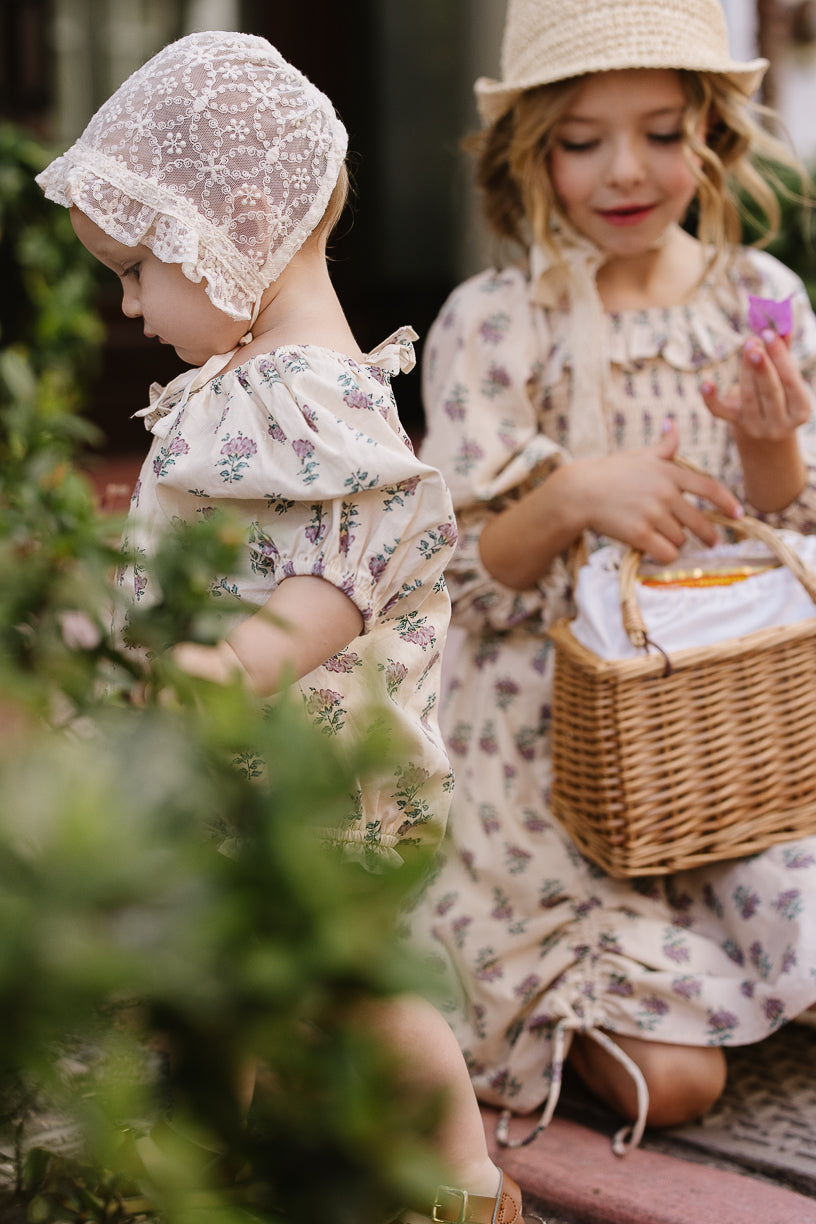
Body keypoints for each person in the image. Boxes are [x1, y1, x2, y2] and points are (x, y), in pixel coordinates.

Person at [36, 31, 543, 1224]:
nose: (127, 304)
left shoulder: (305, 386)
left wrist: (233, 659)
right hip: (252, 768)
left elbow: (367, 553)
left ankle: (463, 1186)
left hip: (312, 776)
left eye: (137, 268)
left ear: (244, 222)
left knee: (344, 986)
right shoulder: (264, 377)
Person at [407, 0, 816, 1156]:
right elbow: (456, 574)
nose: (625, 171)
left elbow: (790, 537)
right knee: (677, 1084)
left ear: (712, 138)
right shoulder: (492, 322)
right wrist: (576, 497)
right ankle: (620, 996)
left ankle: (740, 952)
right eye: (582, 140)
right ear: (531, 152)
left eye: (661, 132)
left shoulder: (756, 296)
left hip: (725, 728)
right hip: (552, 742)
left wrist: (776, 442)